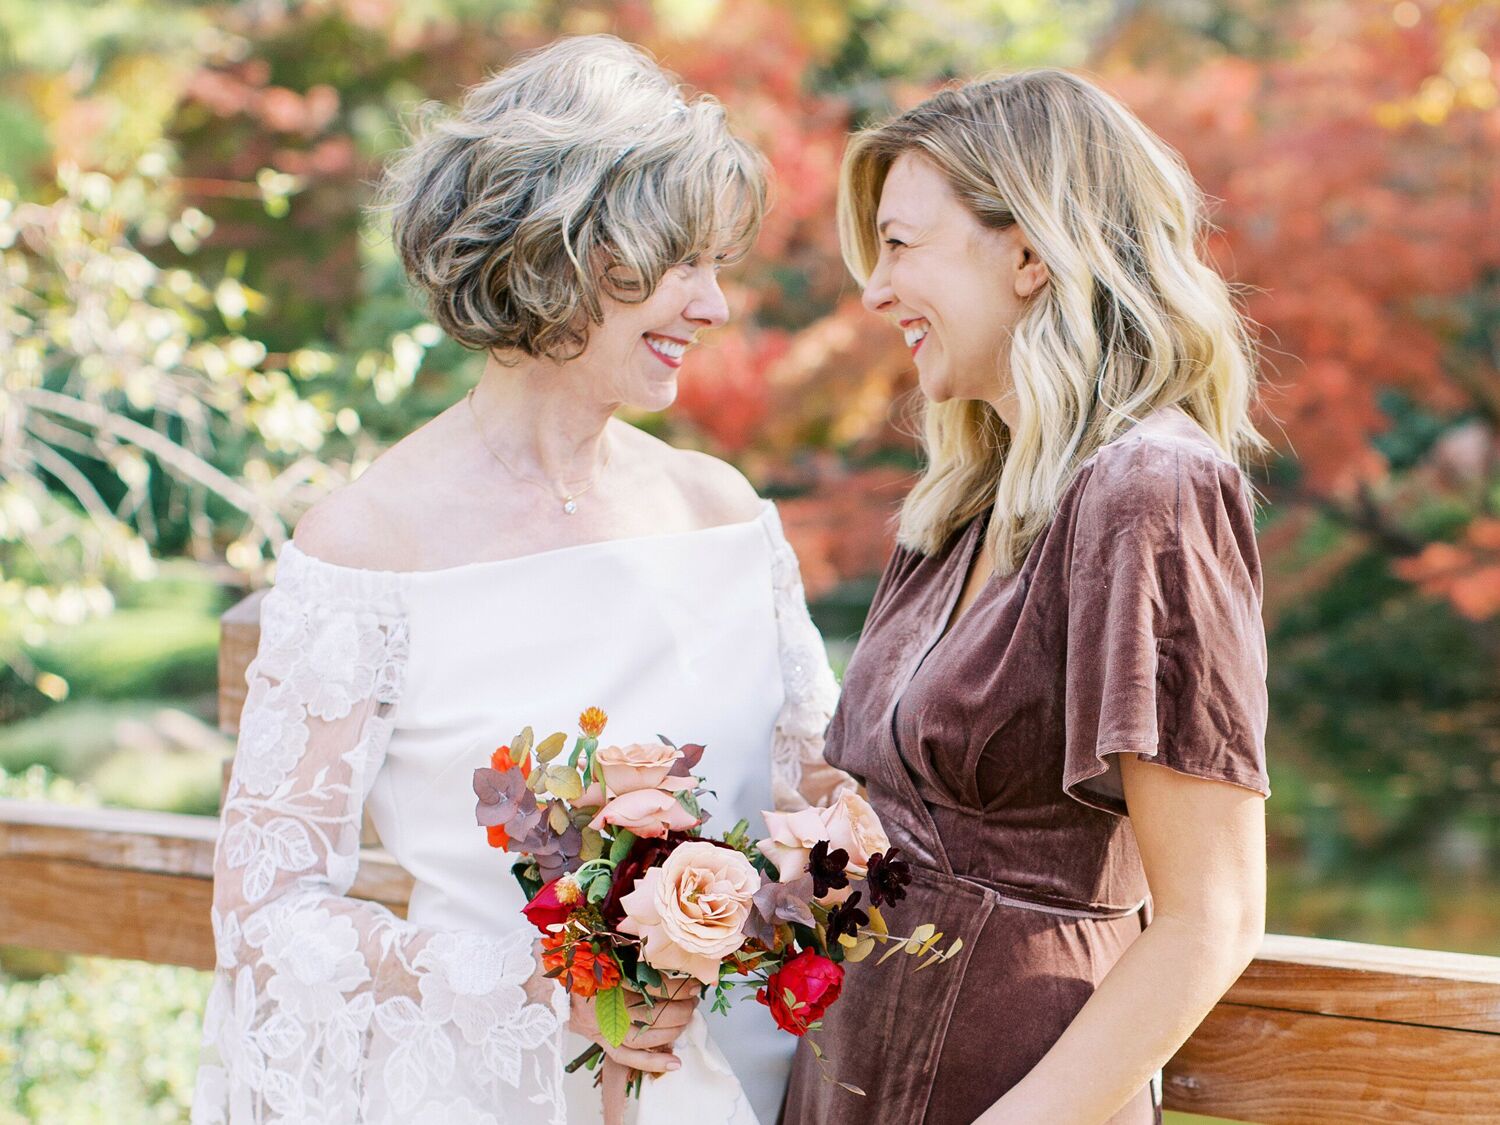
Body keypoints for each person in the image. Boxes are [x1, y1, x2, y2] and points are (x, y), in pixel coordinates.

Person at [192, 35, 850, 1125]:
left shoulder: (723, 515)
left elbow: (816, 811)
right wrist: (546, 988)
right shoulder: (370, 547)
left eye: (717, 267)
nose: (716, 306)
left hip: (758, 1092)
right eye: (680, 263)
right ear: (563, 249)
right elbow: (270, 910)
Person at [780, 69, 1274, 1124]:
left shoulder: (1151, 489)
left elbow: (1214, 916)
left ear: (1030, 251)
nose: (874, 291)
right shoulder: (962, 502)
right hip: (849, 1078)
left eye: (901, 246)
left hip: (1010, 1092)